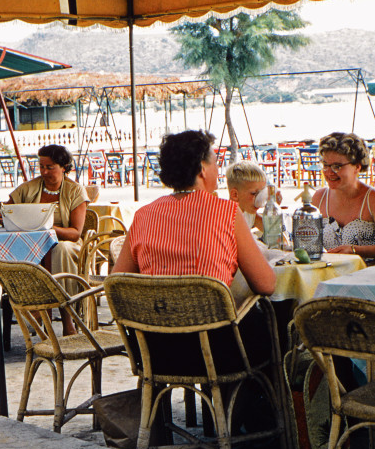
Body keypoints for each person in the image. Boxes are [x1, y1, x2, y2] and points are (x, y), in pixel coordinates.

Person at [113, 130, 275, 377]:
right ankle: (236, 412)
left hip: (155, 352)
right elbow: (266, 284)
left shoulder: (143, 215)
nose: (218, 170)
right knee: (275, 325)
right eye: (215, 163)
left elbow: (117, 285)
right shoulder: (226, 213)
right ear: (202, 168)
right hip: (215, 353)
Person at [4, 144, 89, 335]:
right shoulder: (29, 188)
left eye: (49, 167)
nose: (43, 171)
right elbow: (7, 210)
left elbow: (75, 233)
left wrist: (47, 229)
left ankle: (68, 319)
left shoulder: (75, 191)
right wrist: (2, 214)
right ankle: (33, 305)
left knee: (61, 250)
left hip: (65, 245)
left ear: (64, 166)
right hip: (33, 246)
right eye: (41, 166)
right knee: (14, 249)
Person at [311, 132, 375, 260]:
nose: (329, 172)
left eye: (337, 166)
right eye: (325, 165)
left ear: (357, 167)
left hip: (368, 275)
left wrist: (355, 250)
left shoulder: (374, 198)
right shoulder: (319, 198)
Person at [226, 161, 269, 231]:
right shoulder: (228, 219)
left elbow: (270, 231)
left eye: (261, 193)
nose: (259, 199)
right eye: (254, 193)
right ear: (235, 195)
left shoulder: (249, 213)